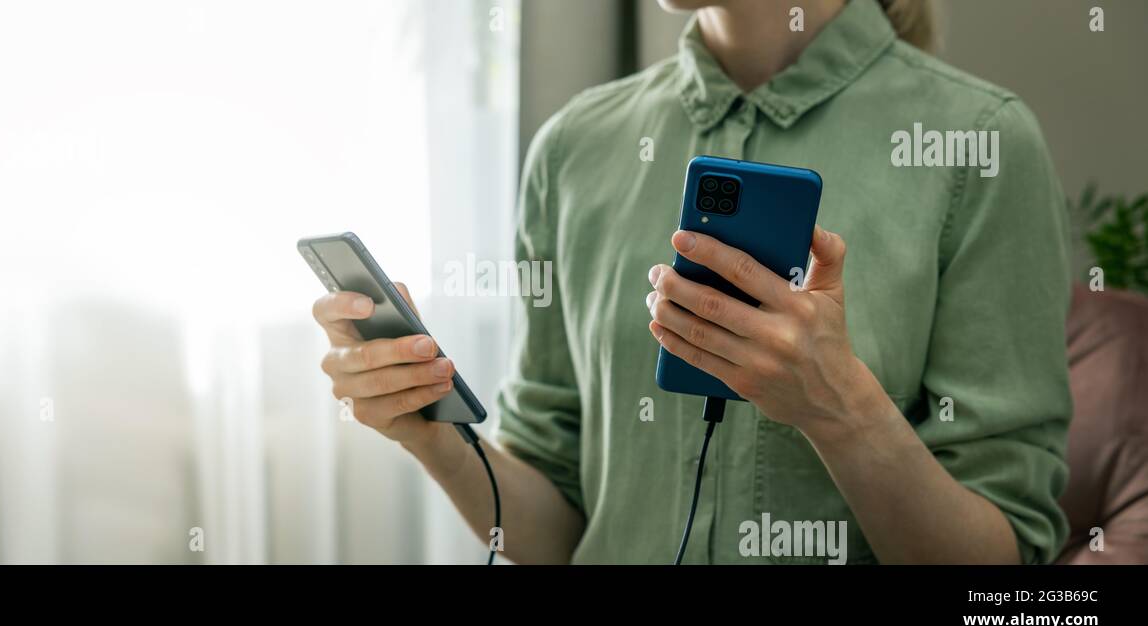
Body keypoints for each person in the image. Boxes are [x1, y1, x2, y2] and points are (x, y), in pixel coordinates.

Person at [309, 0, 1071, 564]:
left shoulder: (982, 145)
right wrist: (435, 435)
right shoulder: (575, 147)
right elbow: (559, 534)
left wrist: (838, 410)